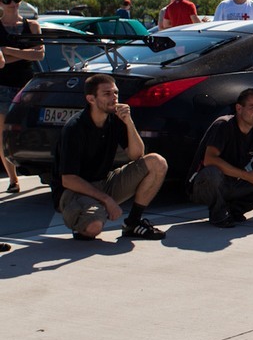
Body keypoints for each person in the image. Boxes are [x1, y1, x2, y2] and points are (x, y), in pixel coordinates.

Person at [52, 73, 168, 240]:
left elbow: (137, 155)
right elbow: (68, 179)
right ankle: (85, 217)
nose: (114, 98)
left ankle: (133, 222)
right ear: (91, 99)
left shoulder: (115, 119)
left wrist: (129, 122)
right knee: (93, 228)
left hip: (103, 183)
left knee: (157, 162)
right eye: (107, 94)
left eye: (115, 93)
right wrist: (107, 200)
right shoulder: (75, 128)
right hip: (73, 191)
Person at [188, 88, 253, 226]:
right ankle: (219, 214)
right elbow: (210, 160)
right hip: (205, 185)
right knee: (212, 172)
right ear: (239, 108)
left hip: (234, 183)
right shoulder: (223, 125)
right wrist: (247, 176)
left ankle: (233, 210)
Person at [1, 0, 43, 192]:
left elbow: (39, 54)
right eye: (7, 0)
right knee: (3, 136)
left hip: (28, 85)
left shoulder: (32, 26)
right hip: (3, 86)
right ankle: (13, 179)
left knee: (35, 130)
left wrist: (8, 51)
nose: (13, 4)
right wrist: (25, 52)